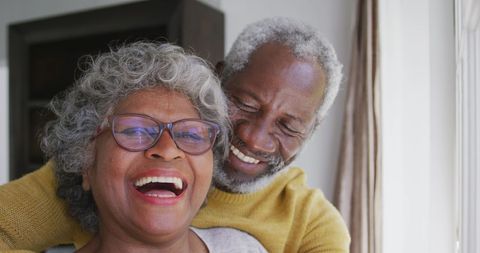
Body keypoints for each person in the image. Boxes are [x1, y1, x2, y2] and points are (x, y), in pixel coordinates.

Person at [0, 17, 350, 252]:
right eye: (244, 103)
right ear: (219, 78)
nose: (255, 138)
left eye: (288, 126)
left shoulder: (310, 223)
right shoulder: (98, 166)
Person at [10, 41, 269, 253]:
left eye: (190, 133)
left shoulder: (245, 248)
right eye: (135, 130)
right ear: (86, 162)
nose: (168, 150)